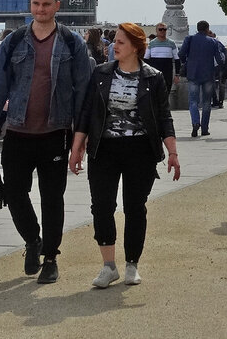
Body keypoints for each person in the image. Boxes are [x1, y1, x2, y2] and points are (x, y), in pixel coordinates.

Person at [0, 0, 91, 285]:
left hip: (55, 131)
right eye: (35, 4)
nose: (40, 10)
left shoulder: (71, 43)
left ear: (57, 6)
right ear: (30, 5)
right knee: (14, 193)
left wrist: (80, 136)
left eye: (46, 5)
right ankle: (33, 240)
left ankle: (51, 257)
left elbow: (84, 90)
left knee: (52, 197)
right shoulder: (14, 41)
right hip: (17, 130)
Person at [69, 23, 178, 288]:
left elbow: (164, 117)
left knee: (134, 207)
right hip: (103, 149)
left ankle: (132, 264)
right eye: (114, 41)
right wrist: (77, 146)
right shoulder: (101, 74)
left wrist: (172, 152)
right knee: (102, 207)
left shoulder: (153, 77)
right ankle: (108, 266)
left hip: (140, 150)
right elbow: (87, 112)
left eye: (120, 42)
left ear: (136, 47)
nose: (114, 46)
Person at [178, 20, 225, 138]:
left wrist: (186, 62)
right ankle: (204, 128)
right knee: (206, 102)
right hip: (208, 74)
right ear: (207, 29)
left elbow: (181, 54)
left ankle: (195, 122)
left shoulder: (189, 39)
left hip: (193, 73)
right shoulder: (213, 42)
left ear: (197, 28)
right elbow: (220, 59)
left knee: (193, 101)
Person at [143, 22, 179, 93]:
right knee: (154, 93)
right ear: (156, 31)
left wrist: (177, 74)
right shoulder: (151, 43)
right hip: (154, 73)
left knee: (166, 92)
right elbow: (146, 59)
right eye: (160, 29)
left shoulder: (172, 43)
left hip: (167, 73)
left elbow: (177, 59)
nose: (162, 31)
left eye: (164, 29)